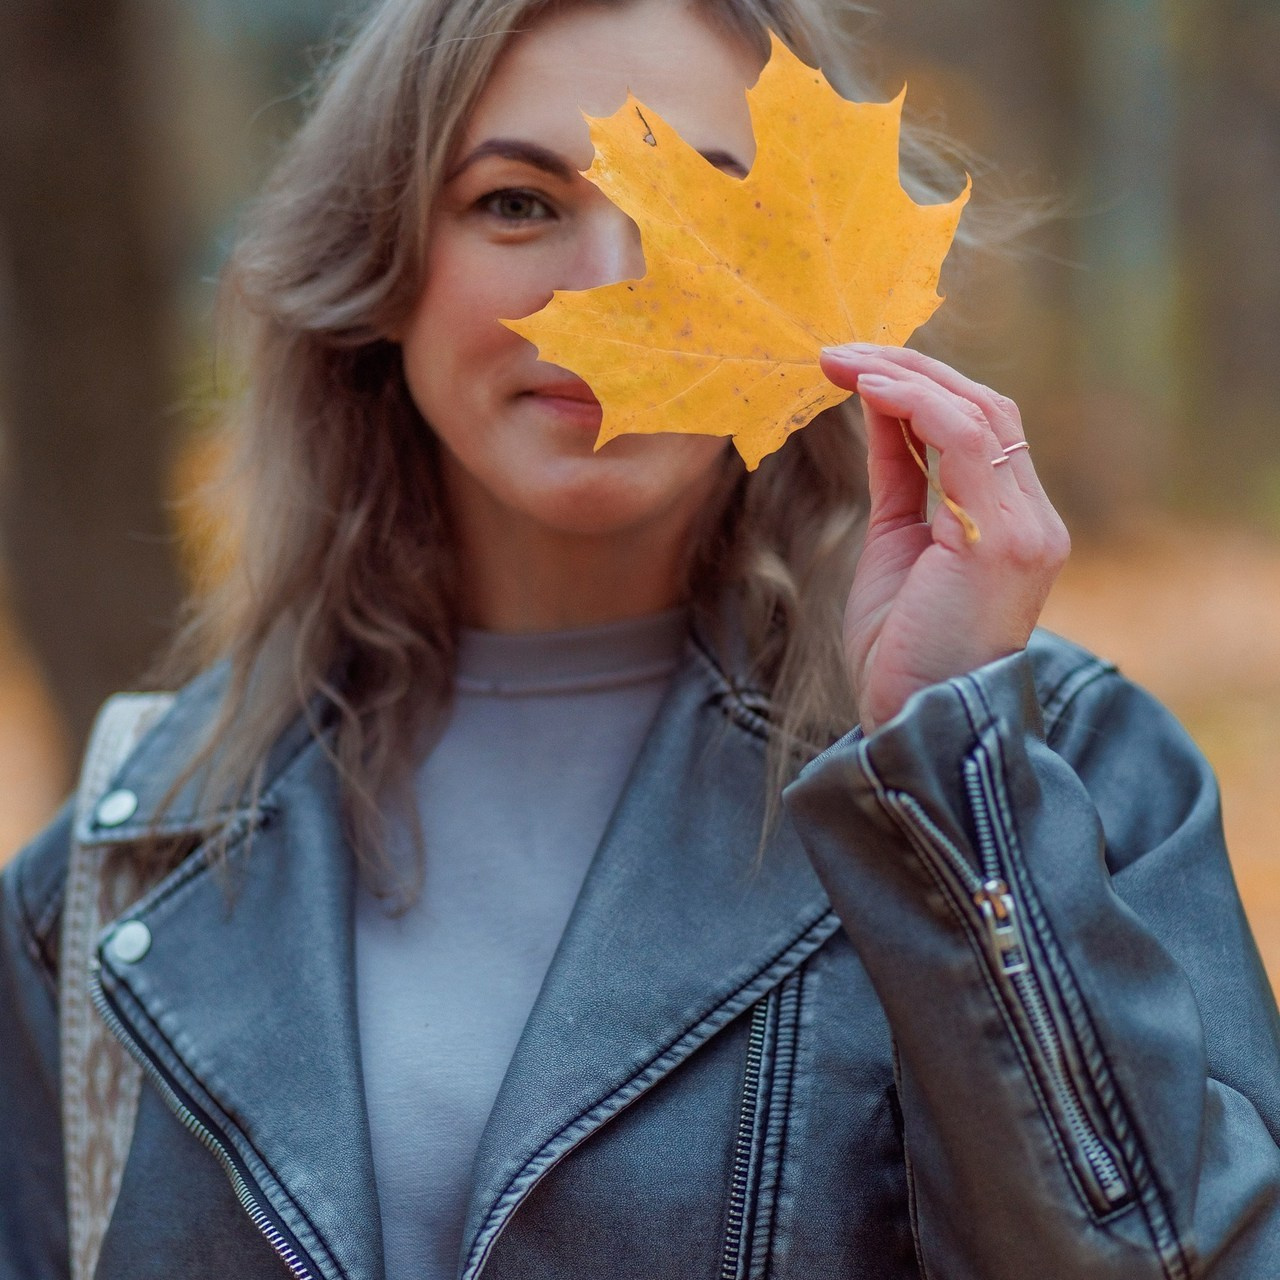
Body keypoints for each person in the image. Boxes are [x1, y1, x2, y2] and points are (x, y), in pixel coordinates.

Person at [3, 0, 1279, 1275]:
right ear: (382, 266)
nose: (613, 285)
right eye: (515, 202)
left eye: (706, 208)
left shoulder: (1060, 770)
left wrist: (949, 790)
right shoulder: (133, 860)